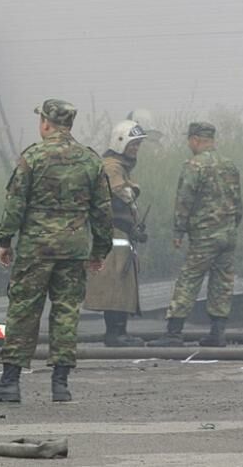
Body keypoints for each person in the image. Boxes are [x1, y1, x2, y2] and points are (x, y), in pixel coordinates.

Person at [0, 99, 113, 403]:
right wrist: (100, 250)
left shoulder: (33, 157)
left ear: (45, 123)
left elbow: (15, 204)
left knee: (23, 310)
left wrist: (4, 241)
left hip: (35, 249)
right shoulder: (90, 160)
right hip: (74, 249)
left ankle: (10, 383)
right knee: (66, 311)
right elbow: (103, 211)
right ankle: (60, 384)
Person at [148, 122, 242, 348]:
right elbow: (238, 202)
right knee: (222, 282)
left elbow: (184, 200)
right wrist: (232, 225)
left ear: (195, 139)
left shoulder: (194, 165)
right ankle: (217, 333)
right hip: (228, 234)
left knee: (188, 279)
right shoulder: (229, 165)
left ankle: (173, 332)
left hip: (205, 235)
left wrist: (179, 230)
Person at [83, 120, 149, 347]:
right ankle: (115, 333)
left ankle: (119, 331)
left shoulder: (118, 166)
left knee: (120, 284)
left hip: (120, 234)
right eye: (133, 145)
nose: (135, 150)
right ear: (120, 142)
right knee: (115, 283)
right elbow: (123, 193)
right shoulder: (112, 166)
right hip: (114, 236)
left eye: (138, 145)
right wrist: (135, 189)